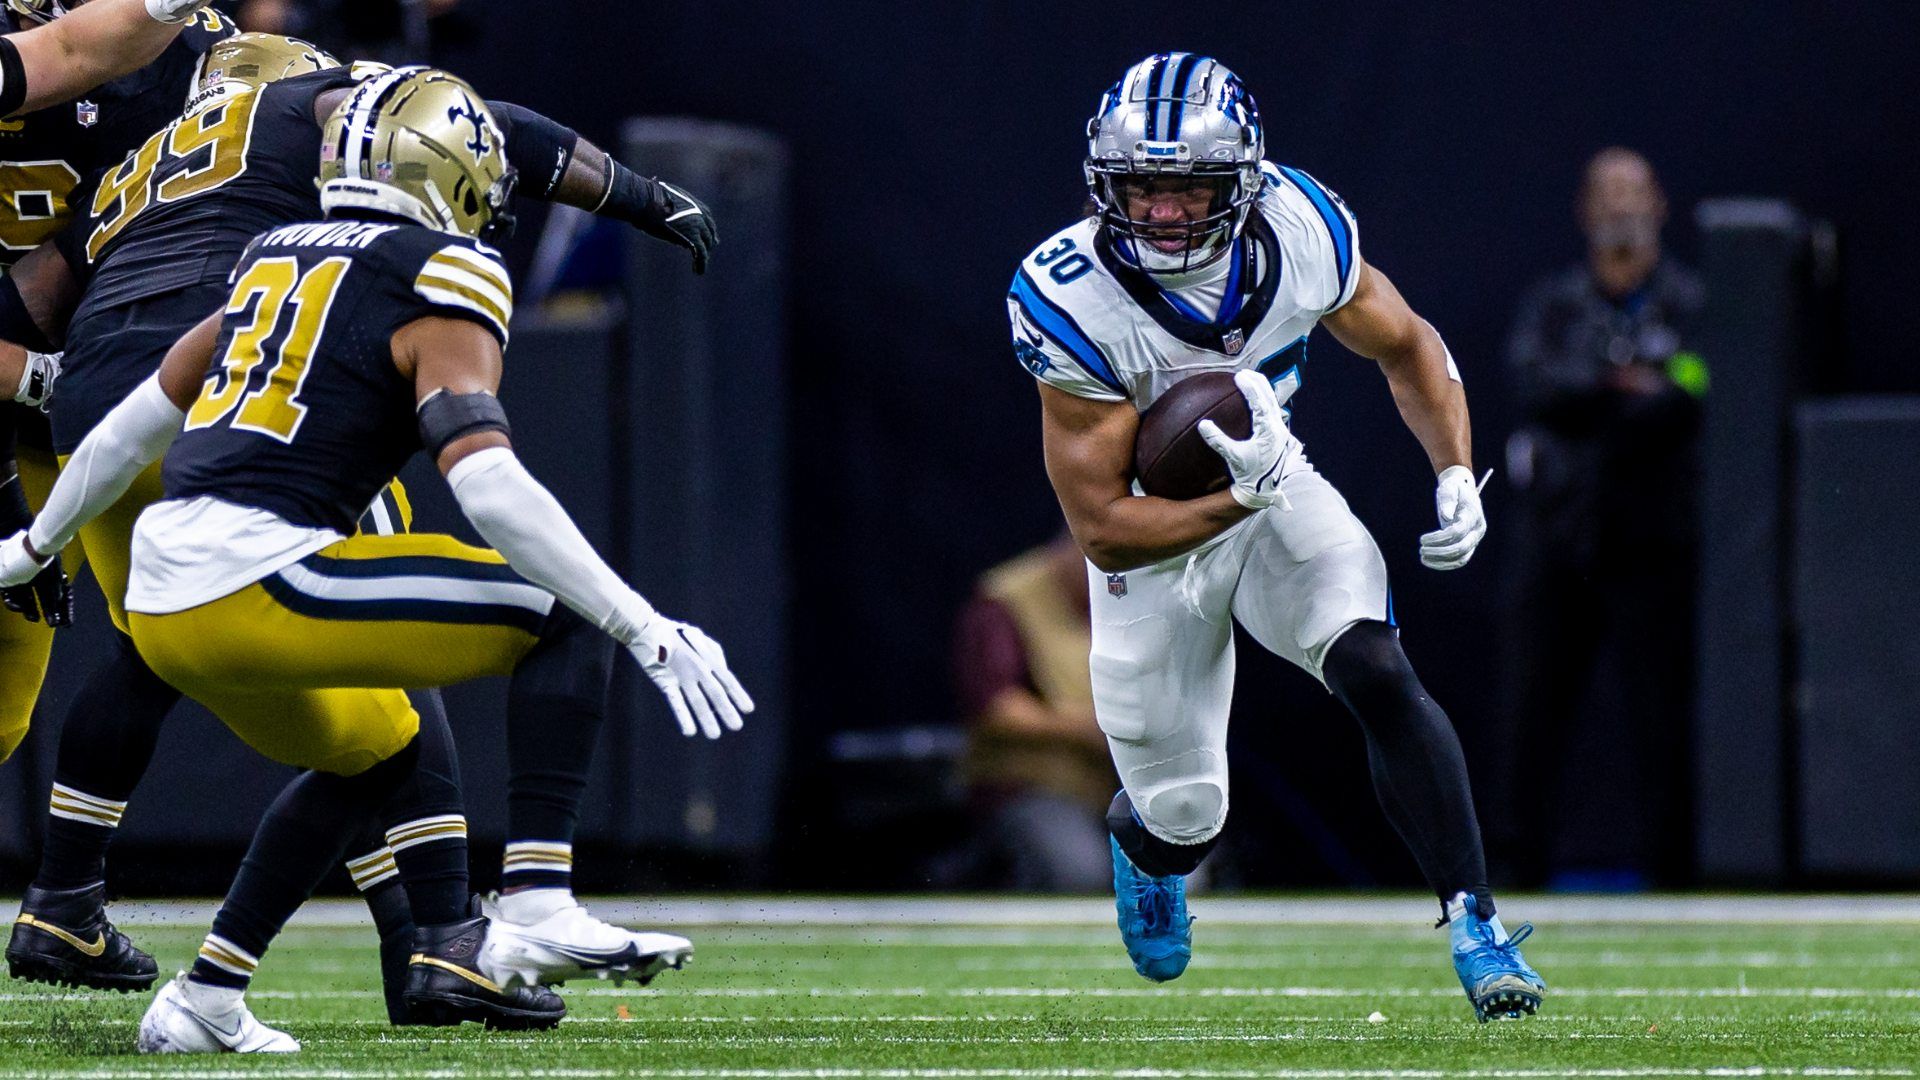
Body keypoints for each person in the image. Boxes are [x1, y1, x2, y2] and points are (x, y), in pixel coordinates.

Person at [0, 70, 752, 1052]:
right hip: (262, 581)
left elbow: (133, 426)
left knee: (375, 755)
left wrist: (31, 545)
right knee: (565, 616)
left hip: (164, 598)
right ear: (459, 173)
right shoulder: (446, 270)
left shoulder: (272, 253)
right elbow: (487, 484)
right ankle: (533, 902)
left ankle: (205, 997)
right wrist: (641, 622)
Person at [1007, 53, 1544, 1021]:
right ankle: (1148, 851)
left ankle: (1477, 922)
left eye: (1190, 188)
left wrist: (1454, 470)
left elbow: (1408, 342)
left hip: (1274, 485)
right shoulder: (1069, 293)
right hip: (1153, 537)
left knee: (1375, 664)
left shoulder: (1300, 228)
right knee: (1185, 816)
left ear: (1245, 183)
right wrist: (1238, 500)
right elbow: (1105, 530)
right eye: (1141, 187)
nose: (1163, 211)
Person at [0, 0, 238, 766]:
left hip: (126, 381)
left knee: (192, 642)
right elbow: (70, 51)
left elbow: (76, 49)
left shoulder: (198, 50)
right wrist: (37, 379)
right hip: (70, 393)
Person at [1499, 147, 1705, 887]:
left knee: (1662, 713)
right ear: (1586, 211)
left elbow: (1694, 382)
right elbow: (1537, 382)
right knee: (1532, 709)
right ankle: (1514, 872)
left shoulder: (1689, 300)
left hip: (1653, 538)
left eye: (1634, 192)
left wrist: (1629, 392)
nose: (1621, 206)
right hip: (1561, 533)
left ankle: (1674, 875)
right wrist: (1624, 384)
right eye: (1607, 194)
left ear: (1659, 206)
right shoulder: (1556, 304)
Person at [953, 532, 1113, 892]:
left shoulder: (1123, 597)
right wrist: (1088, 729)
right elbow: (996, 708)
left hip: (1114, 790)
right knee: (1079, 870)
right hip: (1029, 787)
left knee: (1179, 874)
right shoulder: (1007, 599)